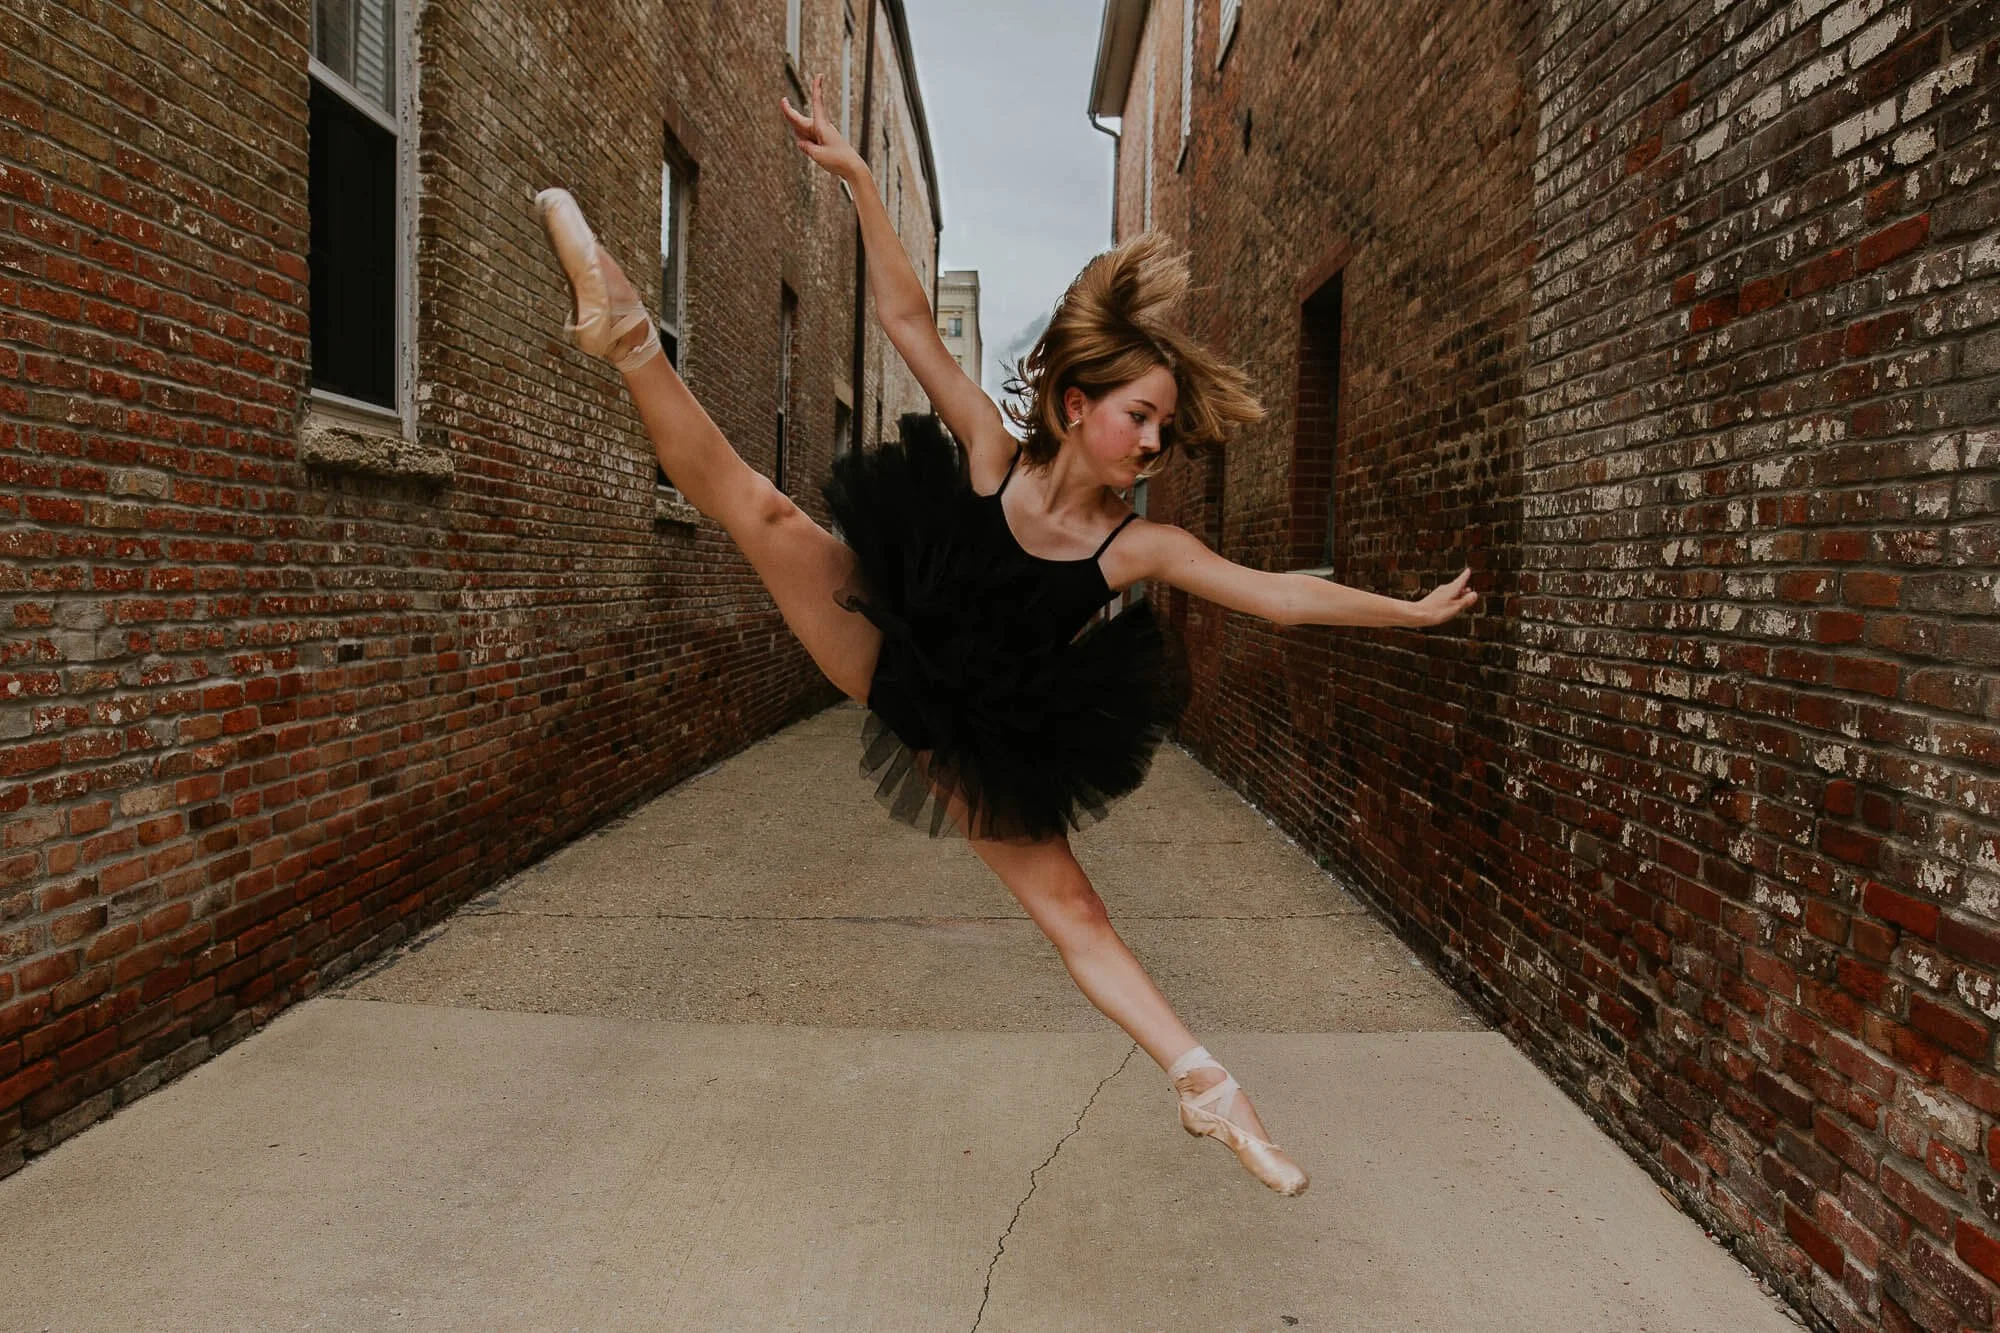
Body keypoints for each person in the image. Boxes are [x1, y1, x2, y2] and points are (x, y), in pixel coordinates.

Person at [532, 74, 1477, 1198]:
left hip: (981, 731)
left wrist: (1404, 611)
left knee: (1074, 908)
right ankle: (630, 333)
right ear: (1076, 405)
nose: (1154, 442)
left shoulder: (1134, 549)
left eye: (1166, 428)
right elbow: (903, 321)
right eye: (1141, 416)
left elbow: (1273, 592)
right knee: (766, 511)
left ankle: (1205, 1085)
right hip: (890, 646)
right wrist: (861, 185)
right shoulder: (989, 451)